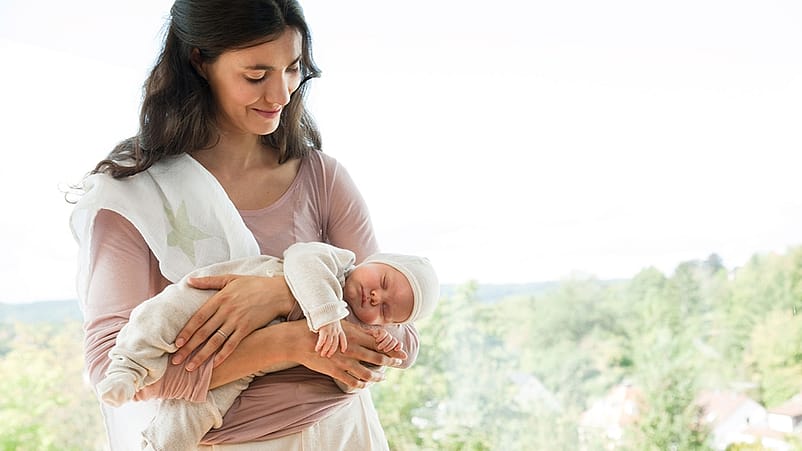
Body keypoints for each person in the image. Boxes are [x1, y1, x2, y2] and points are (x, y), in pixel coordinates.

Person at [70, 1, 420, 449]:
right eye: (256, 75)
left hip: (346, 433)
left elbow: (402, 333)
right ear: (199, 61)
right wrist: (290, 342)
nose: (280, 94)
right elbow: (111, 371)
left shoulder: (322, 178)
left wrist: (285, 291)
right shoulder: (136, 196)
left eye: (293, 69)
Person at [95, 241, 439, 450]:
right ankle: (129, 367)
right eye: (382, 282)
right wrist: (323, 314)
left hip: (247, 368)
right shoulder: (337, 261)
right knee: (166, 313)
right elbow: (302, 259)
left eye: (386, 309)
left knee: (201, 410)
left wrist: (373, 356)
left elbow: (351, 377)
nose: (376, 296)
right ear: (371, 260)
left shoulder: (359, 325)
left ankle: (158, 445)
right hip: (218, 299)